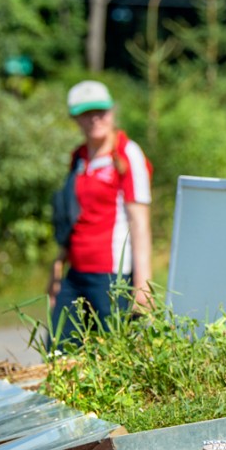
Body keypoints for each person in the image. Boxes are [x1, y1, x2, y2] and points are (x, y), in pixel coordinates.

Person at [47, 80, 154, 343]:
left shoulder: (128, 154)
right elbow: (71, 217)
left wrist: (143, 285)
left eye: (101, 111)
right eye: (86, 113)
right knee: (58, 348)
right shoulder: (79, 157)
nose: (95, 118)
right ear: (75, 118)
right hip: (76, 273)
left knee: (113, 352)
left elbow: (139, 223)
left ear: (112, 111)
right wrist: (58, 265)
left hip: (112, 276)